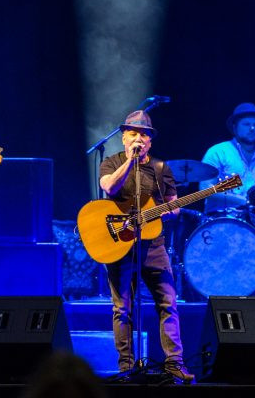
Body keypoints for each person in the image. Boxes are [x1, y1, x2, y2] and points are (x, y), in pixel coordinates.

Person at [99, 110, 195, 383]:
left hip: (154, 245)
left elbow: (174, 205)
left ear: (150, 141)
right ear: (124, 137)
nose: (138, 137)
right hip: (120, 245)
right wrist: (130, 161)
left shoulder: (162, 168)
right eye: (132, 133)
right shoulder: (111, 162)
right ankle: (127, 366)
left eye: (143, 134)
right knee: (122, 308)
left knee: (168, 303)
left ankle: (174, 364)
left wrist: (163, 212)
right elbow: (108, 187)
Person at [199, 102, 255, 215]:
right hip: (221, 222)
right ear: (234, 127)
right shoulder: (218, 152)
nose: (252, 128)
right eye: (246, 124)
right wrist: (246, 201)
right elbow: (205, 190)